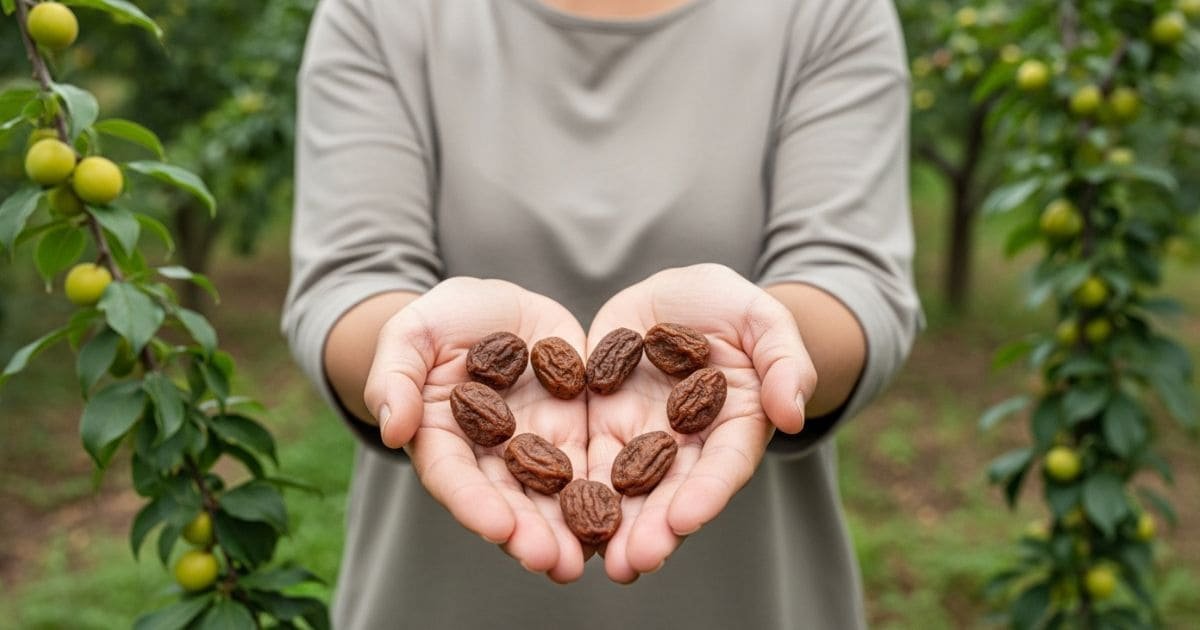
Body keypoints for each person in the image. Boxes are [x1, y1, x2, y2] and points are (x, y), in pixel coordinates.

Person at [282, 0, 921, 627]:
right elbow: (348, 278)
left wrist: (768, 340)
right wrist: (407, 348)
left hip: (747, 594)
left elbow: (854, 278)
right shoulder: (379, 12)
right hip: (437, 595)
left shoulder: (830, 11)